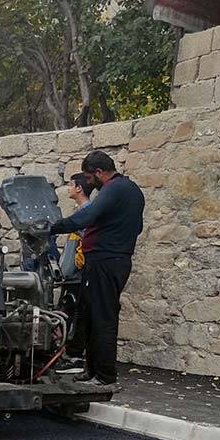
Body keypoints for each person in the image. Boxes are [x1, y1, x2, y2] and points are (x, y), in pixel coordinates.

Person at [47, 151, 144, 385]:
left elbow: (88, 215)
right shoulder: (129, 190)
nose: (89, 184)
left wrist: (52, 227)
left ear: (99, 173)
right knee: (91, 316)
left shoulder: (114, 189)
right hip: (109, 259)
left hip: (106, 260)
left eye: (90, 179)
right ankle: (92, 370)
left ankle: (104, 375)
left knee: (102, 317)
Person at [54, 173, 97, 375]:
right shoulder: (81, 211)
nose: (68, 188)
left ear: (79, 188)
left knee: (76, 315)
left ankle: (74, 357)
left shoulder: (86, 212)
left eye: (71, 184)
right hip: (72, 274)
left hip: (78, 275)